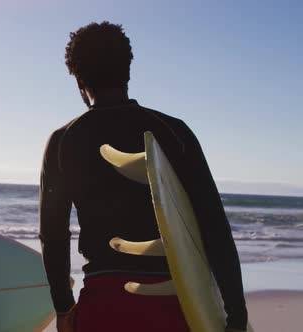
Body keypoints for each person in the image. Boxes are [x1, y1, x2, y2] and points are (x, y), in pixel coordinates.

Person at [39, 22, 248, 332]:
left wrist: (64, 307)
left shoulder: (63, 140)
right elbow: (213, 224)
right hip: (175, 297)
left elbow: (54, 236)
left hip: (104, 300)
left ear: (79, 81)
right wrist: (236, 313)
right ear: (127, 70)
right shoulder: (173, 131)